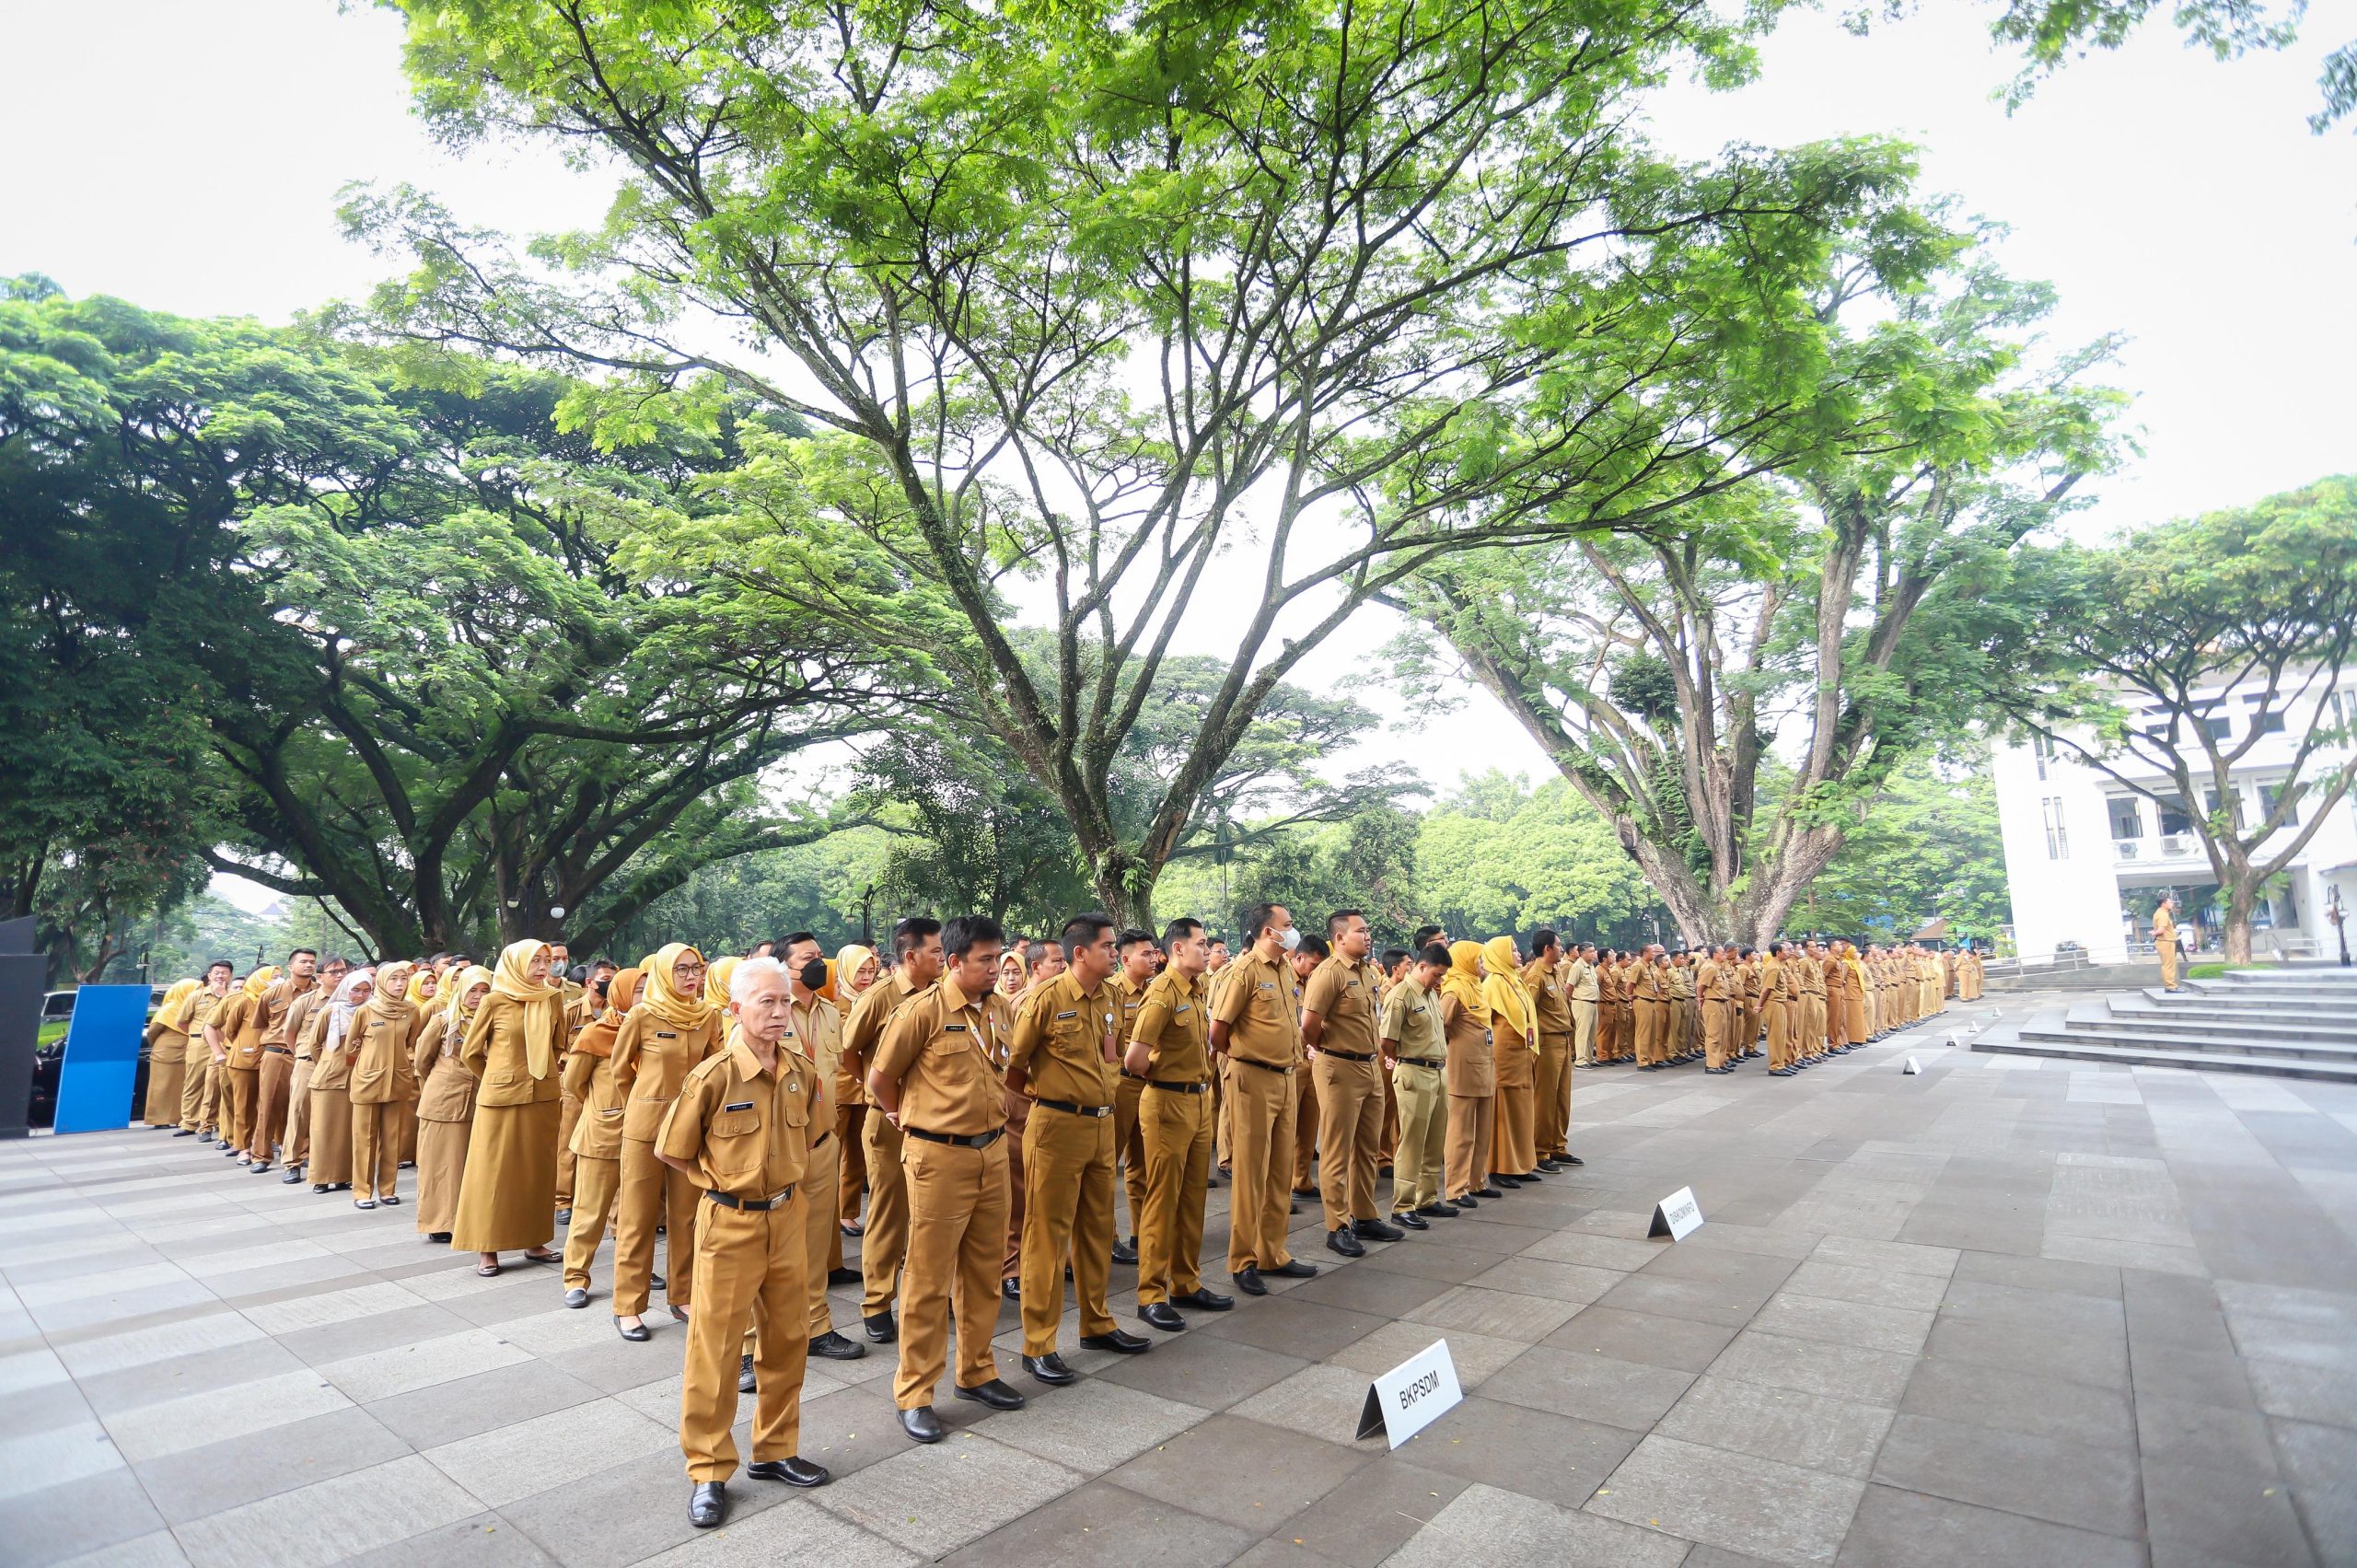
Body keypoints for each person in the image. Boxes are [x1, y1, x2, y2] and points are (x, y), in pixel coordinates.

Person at [656, 956, 832, 1528]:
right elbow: (673, 1150)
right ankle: (708, 1470)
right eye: (767, 1002)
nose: (781, 1013)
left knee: (787, 1338)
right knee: (717, 1349)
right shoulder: (713, 1076)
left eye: (785, 1002)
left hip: (787, 1216)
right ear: (736, 1009)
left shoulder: (801, 1070)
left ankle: (776, 1449)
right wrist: (722, 1188)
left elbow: (817, 1130)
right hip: (729, 1223)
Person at [868, 913, 1023, 1444]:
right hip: (939, 1157)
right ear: (953, 962)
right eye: (984, 961)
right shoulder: (922, 1012)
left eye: (998, 959)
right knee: (928, 1279)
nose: (995, 969)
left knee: (984, 1271)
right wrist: (907, 1118)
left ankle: (977, 1371)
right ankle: (914, 1392)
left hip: (992, 1153)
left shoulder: (999, 1008)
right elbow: (880, 1080)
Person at [1005, 912, 1154, 1384]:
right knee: (1046, 1237)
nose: (1116, 953)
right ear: (1081, 954)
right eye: (1109, 947)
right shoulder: (1044, 1000)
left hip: (1101, 1125)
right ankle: (1038, 1343)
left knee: (1096, 1230)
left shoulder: (1111, 995)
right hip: (1056, 1125)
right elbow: (1013, 1065)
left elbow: (1115, 1053)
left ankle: (1097, 1322)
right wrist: (1035, 1108)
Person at [611, 944, 723, 1338]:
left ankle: (683, 1294)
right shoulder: (643, 1014)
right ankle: (628, 1304)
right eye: (682, 970)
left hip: (692, 1130)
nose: (691, 977)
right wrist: (643, 1104)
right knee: (637, 1216)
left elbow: (717, 1067)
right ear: (663, 973)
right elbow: (620, 1069)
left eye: (696, 968)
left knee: (687, 1217)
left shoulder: (708, 1015)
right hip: (645, 1129)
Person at [1125, 918, 1230, 1332]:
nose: (1207, 951)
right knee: (1162, 1200)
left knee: (1192, 1198)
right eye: (1201, 944)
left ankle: (1186, 1281)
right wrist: (1163, 1070)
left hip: (1198, 1100)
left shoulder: (1197, 989)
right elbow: (1134, 1060)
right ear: (1178, 950)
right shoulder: (1162, 994)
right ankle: (1151, 1293)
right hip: (1167, 1102)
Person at [842, 917, 943, 1345]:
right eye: (935, 951)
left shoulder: (942, 996)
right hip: (888, 1122)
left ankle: (924, 1295)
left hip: (934, 1121)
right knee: (889, 1212)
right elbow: (848, 1053)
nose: (942, 957)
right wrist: (885, 1101)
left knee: (931, 1214)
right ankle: (877, 1302)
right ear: (910, 955)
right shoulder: (879, 997)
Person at [1211, 903, 1318, 1298]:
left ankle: (1273, 1252)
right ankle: (1243, 1260)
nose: (1292, 932)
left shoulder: (1286, 969)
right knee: (1251, 1171)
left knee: (1279, 1169)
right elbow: (1218, 1031)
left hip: (1287, 1077)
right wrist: (1243, 1057)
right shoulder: (1243, 972)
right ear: (1266, 932)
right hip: (1253, 1076)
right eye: (1286, 926)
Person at [452, 940, 567, 1276]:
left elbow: (558, 1043)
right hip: (500, 1099)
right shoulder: (494, 1000)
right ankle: (487, 1248)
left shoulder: (553, 998)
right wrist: (497, 1077)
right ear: (516, 963)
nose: (543, 967)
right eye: (536, 961)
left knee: (537, 1171)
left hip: (542, 1096)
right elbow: (471, 1052)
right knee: (493, 1173)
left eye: (547, 961)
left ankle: (535, 1241)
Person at [780, 933, 865, 1363]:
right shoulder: (769, 1015)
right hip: (780, 1149)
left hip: (822, 1142)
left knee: (815, 1245)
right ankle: (751, 1343)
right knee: (768, 1247)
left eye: (820, 957)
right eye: (808, 958)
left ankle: (816, 1327)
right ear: (785, 965)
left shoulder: (830, 1013)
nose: (819, 964)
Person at [1302, 909, 1397, 1258]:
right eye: (1361, 931)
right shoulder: (1328, 974)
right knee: (1337, 1150)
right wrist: (1326, 1051)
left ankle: (1365, 1214)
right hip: (1339, 1067)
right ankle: (1337, 1225)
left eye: (1368, 930)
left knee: (1367, 1147)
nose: (1367, 936)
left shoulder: (1369, 972)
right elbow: (1309, 1026)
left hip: (1369, 1067)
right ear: (1340, 937)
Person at [561, 967, 642, 1307]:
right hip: (602, 1135)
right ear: (621, 994)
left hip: (643, 1136)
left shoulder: (655, 1030)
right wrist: (603, 1108)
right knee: (590, 1212)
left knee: (635, 1214)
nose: (646, 997)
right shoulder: (596, 1033)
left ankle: (636, 1270)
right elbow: (573, 1084)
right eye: (639, 991)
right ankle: (576, 1277)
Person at [416, 964, 490, 1241]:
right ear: (461, 990)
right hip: (443, 1101)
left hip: (479, 1099)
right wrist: (442, 1081)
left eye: (485, 990)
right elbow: (423, 1060)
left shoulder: (493, 1020)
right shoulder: (444, 1020)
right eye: (473, 990)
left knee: (469, 1164)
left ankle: (465, 1219)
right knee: (440, 1164)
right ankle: (438, 1223)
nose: (478, 996)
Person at [1382, 944, 1454, 1226]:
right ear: (1421, 967)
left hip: (1437, 1072)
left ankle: (1427, 1199)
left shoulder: (1431, 994)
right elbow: (1387, 1042)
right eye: (1437, 974)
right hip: (1414, 1071)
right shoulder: (1401, 996)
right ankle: (1403, 1206)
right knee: (1412, 1141)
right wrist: (1404, 1061)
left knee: (1434, 1140)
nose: (1440, 981)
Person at [349, 959, 424, 1210]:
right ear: (381, 982)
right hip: (368, 1080)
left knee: (393, 1138)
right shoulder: (366, 1011)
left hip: (398, 1079)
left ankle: (388, 1189)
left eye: (403, 979)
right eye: (393, 979)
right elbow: (351, 1046)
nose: (399, 984)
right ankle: (362, 1191)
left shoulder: (412, 1011)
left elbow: (411, 1042)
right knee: (364, 1138)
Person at [1108, 927, 1160, 1268]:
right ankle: (1106, 1236)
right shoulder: (1110, 992)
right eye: (1146, 954)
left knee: (1143, 1164)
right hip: (1121, 1086)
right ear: (1125, 959)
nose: (1153, 959)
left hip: (1151, 1086)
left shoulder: (1158, 990)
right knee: (1106, 1165)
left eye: (1155, 953)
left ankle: (1141, 1233)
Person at [1439, 942, 1499, 1205]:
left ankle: (1477, 1181)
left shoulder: (1476, 986)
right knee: (1461, 1132)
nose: (1482, 965)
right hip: (1463, 1069)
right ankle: (1456, 1188)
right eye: (1478, 960)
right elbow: (1440, 1027)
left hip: (1484, 1065)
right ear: (1464, 960)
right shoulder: (1454, 989)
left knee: (1482, 1130)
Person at [279, 956, 347, 1183]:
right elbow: (289, 1034)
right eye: (333, 972)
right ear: (320, 977)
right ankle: (292, 1162)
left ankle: (334, 1167)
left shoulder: (354, 1000)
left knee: (336, 1117)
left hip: (340, 1065)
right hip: (309, 1063)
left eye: (343, 971)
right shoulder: (307, 1001)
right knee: (299, 1112)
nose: (339, 976)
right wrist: (303, 1055)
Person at [206, 965, 279, 1162]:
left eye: (280, 977)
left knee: (271, 1104)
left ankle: (268, 1143)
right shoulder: (242, 1002)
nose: (278, 981)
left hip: (274, 1059)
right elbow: (229, 1031)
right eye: (273, 978)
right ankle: (243, 1148)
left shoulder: (280, 1001)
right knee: (243, 1106)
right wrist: (243, 1046)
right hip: (244, 1061)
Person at [831, 943, 879, 1242]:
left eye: (870, 971)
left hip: (866, 1089)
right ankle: (826, 1209)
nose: (865, 977)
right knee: (829, 1153)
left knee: (858, 1154)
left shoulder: (875, 1000)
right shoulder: (831, 1004)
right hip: (838, 1087)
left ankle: (847, 1212)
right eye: (860, 971)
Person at [1483, 935, 1540, 1185]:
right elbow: (1484, 1022)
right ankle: (1500, 1167)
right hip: (1504, 1054)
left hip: (1521, 1052)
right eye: (1513, 951)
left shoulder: (1516, 981)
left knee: (1523, 1107)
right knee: (1504, 1109)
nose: (1519, 954)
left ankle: (1522, 1163)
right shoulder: (1493, 983)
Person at [1523, 931, 1573, 1168]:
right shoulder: (1535, 975)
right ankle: (1540, 1150)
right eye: (1558, 945)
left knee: (1562, 1097)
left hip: (1563, 1040)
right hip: (1547, 1042)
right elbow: (1527, 1012)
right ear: (1547, 949)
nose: (1561, 949)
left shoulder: (1556, 972)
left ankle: (1557, 1146)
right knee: (1545, 1098)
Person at [177, 960, 234, 1139]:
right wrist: (199, 1036)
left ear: (230, 976)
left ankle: (216, 1123)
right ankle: (189, 1122)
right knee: (194, 1082)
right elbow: (181, 1022)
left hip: (225, 1044)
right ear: (209, 976)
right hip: (199, 1045)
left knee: (222, 1084)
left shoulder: (234, 996)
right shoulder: (197, 996)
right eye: (217, 972)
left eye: (224, 973)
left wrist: (224, 995)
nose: (220, 976)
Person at [142, 978, 202, 1130]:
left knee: (184, 1087)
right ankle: (159, 1119)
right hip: (165, 1054)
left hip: (188, 1052)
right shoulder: (169, 1009)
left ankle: (181, 1118)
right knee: (161, 1087)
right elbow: (153, 1032)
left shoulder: (196, 1008)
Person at [2154, 895, 2182, 991]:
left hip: (2166, 941)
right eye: (2170, 902)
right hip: (2165, 942)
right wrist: (2154, 933)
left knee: (2169, 964)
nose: (2172, 904)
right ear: (2164, 904)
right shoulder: (2162, 914)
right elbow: (2161, 930)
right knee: (2168, 965)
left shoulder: (2161, 913)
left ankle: (2170, 985)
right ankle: (2170, 986)